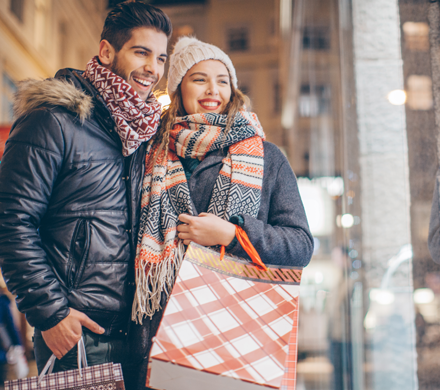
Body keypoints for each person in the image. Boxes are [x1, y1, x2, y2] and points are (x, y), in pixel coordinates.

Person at [0, 2, 171, 387]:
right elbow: (10, 221)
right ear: (107, 52)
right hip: (77, 332)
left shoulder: (141, 133)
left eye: (161, 57)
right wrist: (51, 313)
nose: (153, 68)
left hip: (137, 335)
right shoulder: (52, 119)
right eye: (141, 52)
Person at [128, 36, 314, 389]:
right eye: (199, 78)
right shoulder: (148, 155)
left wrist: (232, 234)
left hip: (235, 333)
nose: (213, 89)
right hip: (157, 336)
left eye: (222, 80)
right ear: (179, 87)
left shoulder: (267, 157)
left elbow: (301, 246)